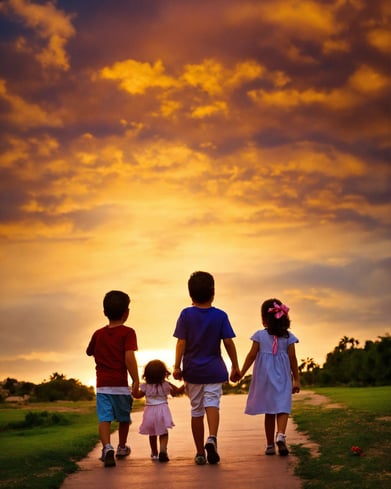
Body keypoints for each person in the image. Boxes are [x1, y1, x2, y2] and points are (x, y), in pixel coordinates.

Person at [173, 271, 241, 465]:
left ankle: (200, 452)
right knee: (212, 403)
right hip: (214, 370)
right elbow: (228, 342)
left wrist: (177, 366)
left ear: (190, 294)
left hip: (193, 371)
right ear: (213, 292)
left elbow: (181, 342)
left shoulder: (186, 314)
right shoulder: (220, 315)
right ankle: (212, 437)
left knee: (196, 410)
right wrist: (235, 366)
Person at [240, 298, 300, 456]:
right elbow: (293, 358)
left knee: (269, 411)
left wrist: (241, 372)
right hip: (283, 377)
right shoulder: (289, 336)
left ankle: (269, 445)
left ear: (264, 319)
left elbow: (252, 355)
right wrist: (297, 379)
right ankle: (280, 434)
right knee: (282, 407)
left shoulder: (259, 335)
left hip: (265, 377)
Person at [86, 290, 140, 467]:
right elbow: (129, 357)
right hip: (120, 386)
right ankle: (121, 447)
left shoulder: (98, 334)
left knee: (104, 419)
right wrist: (136, 380)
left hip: (103, 386)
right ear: (127, 312)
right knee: (124, 418)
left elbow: (89, 352)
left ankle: (106, 447)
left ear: (104, 312)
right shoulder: (128, 333)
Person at [133, 359, 185, 462]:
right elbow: (176, 392)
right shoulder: (166, 384)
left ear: (147, 374)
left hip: (149, 412)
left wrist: (134, 387)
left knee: (152, 433)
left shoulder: (145, 386)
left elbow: (137, 395)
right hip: (162, 410)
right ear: (163, 373)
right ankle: (163, 450)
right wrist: (186, 383)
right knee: (163, 432)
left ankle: (155, 453)